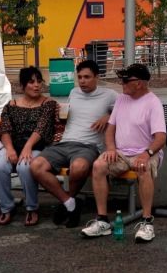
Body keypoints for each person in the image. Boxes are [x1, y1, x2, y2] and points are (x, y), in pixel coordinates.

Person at [81, 63, 166, 243]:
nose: (122, 83)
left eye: (126, 80)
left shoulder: (153, 103)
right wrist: (111, 148)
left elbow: (160, 138)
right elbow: (110, 130)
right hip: (121, 152)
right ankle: (102, 220)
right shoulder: (121, 99)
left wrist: (146, 153)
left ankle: (147, 221)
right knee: (98, 165)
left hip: (145, 152)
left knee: (143, 167)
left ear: (139, 83)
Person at [31, 59, 117, 228]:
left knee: (78, 168)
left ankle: (67, 205)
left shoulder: (110, 95)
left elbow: (127, 109)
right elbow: (66, 115)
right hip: (65, 142)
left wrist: (109, 117)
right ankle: (70, 203)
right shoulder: (74, 92)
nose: (83, 81)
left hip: (88, 146)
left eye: (87, 77)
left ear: (97, 77)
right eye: (80, 77)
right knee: (36, 166)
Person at [0, 66, 57, 227]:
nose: (36, 85)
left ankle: (31, 207)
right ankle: (6, 207)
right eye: (31, 82)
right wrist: (10, 149)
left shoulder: (48, 104)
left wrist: (27, 147)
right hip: (13, 145)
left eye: (39, 81)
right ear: (22, 85)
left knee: (25, 166)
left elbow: (41, 129)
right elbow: (5, 130)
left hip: (37, 146)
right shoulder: (11, 105)